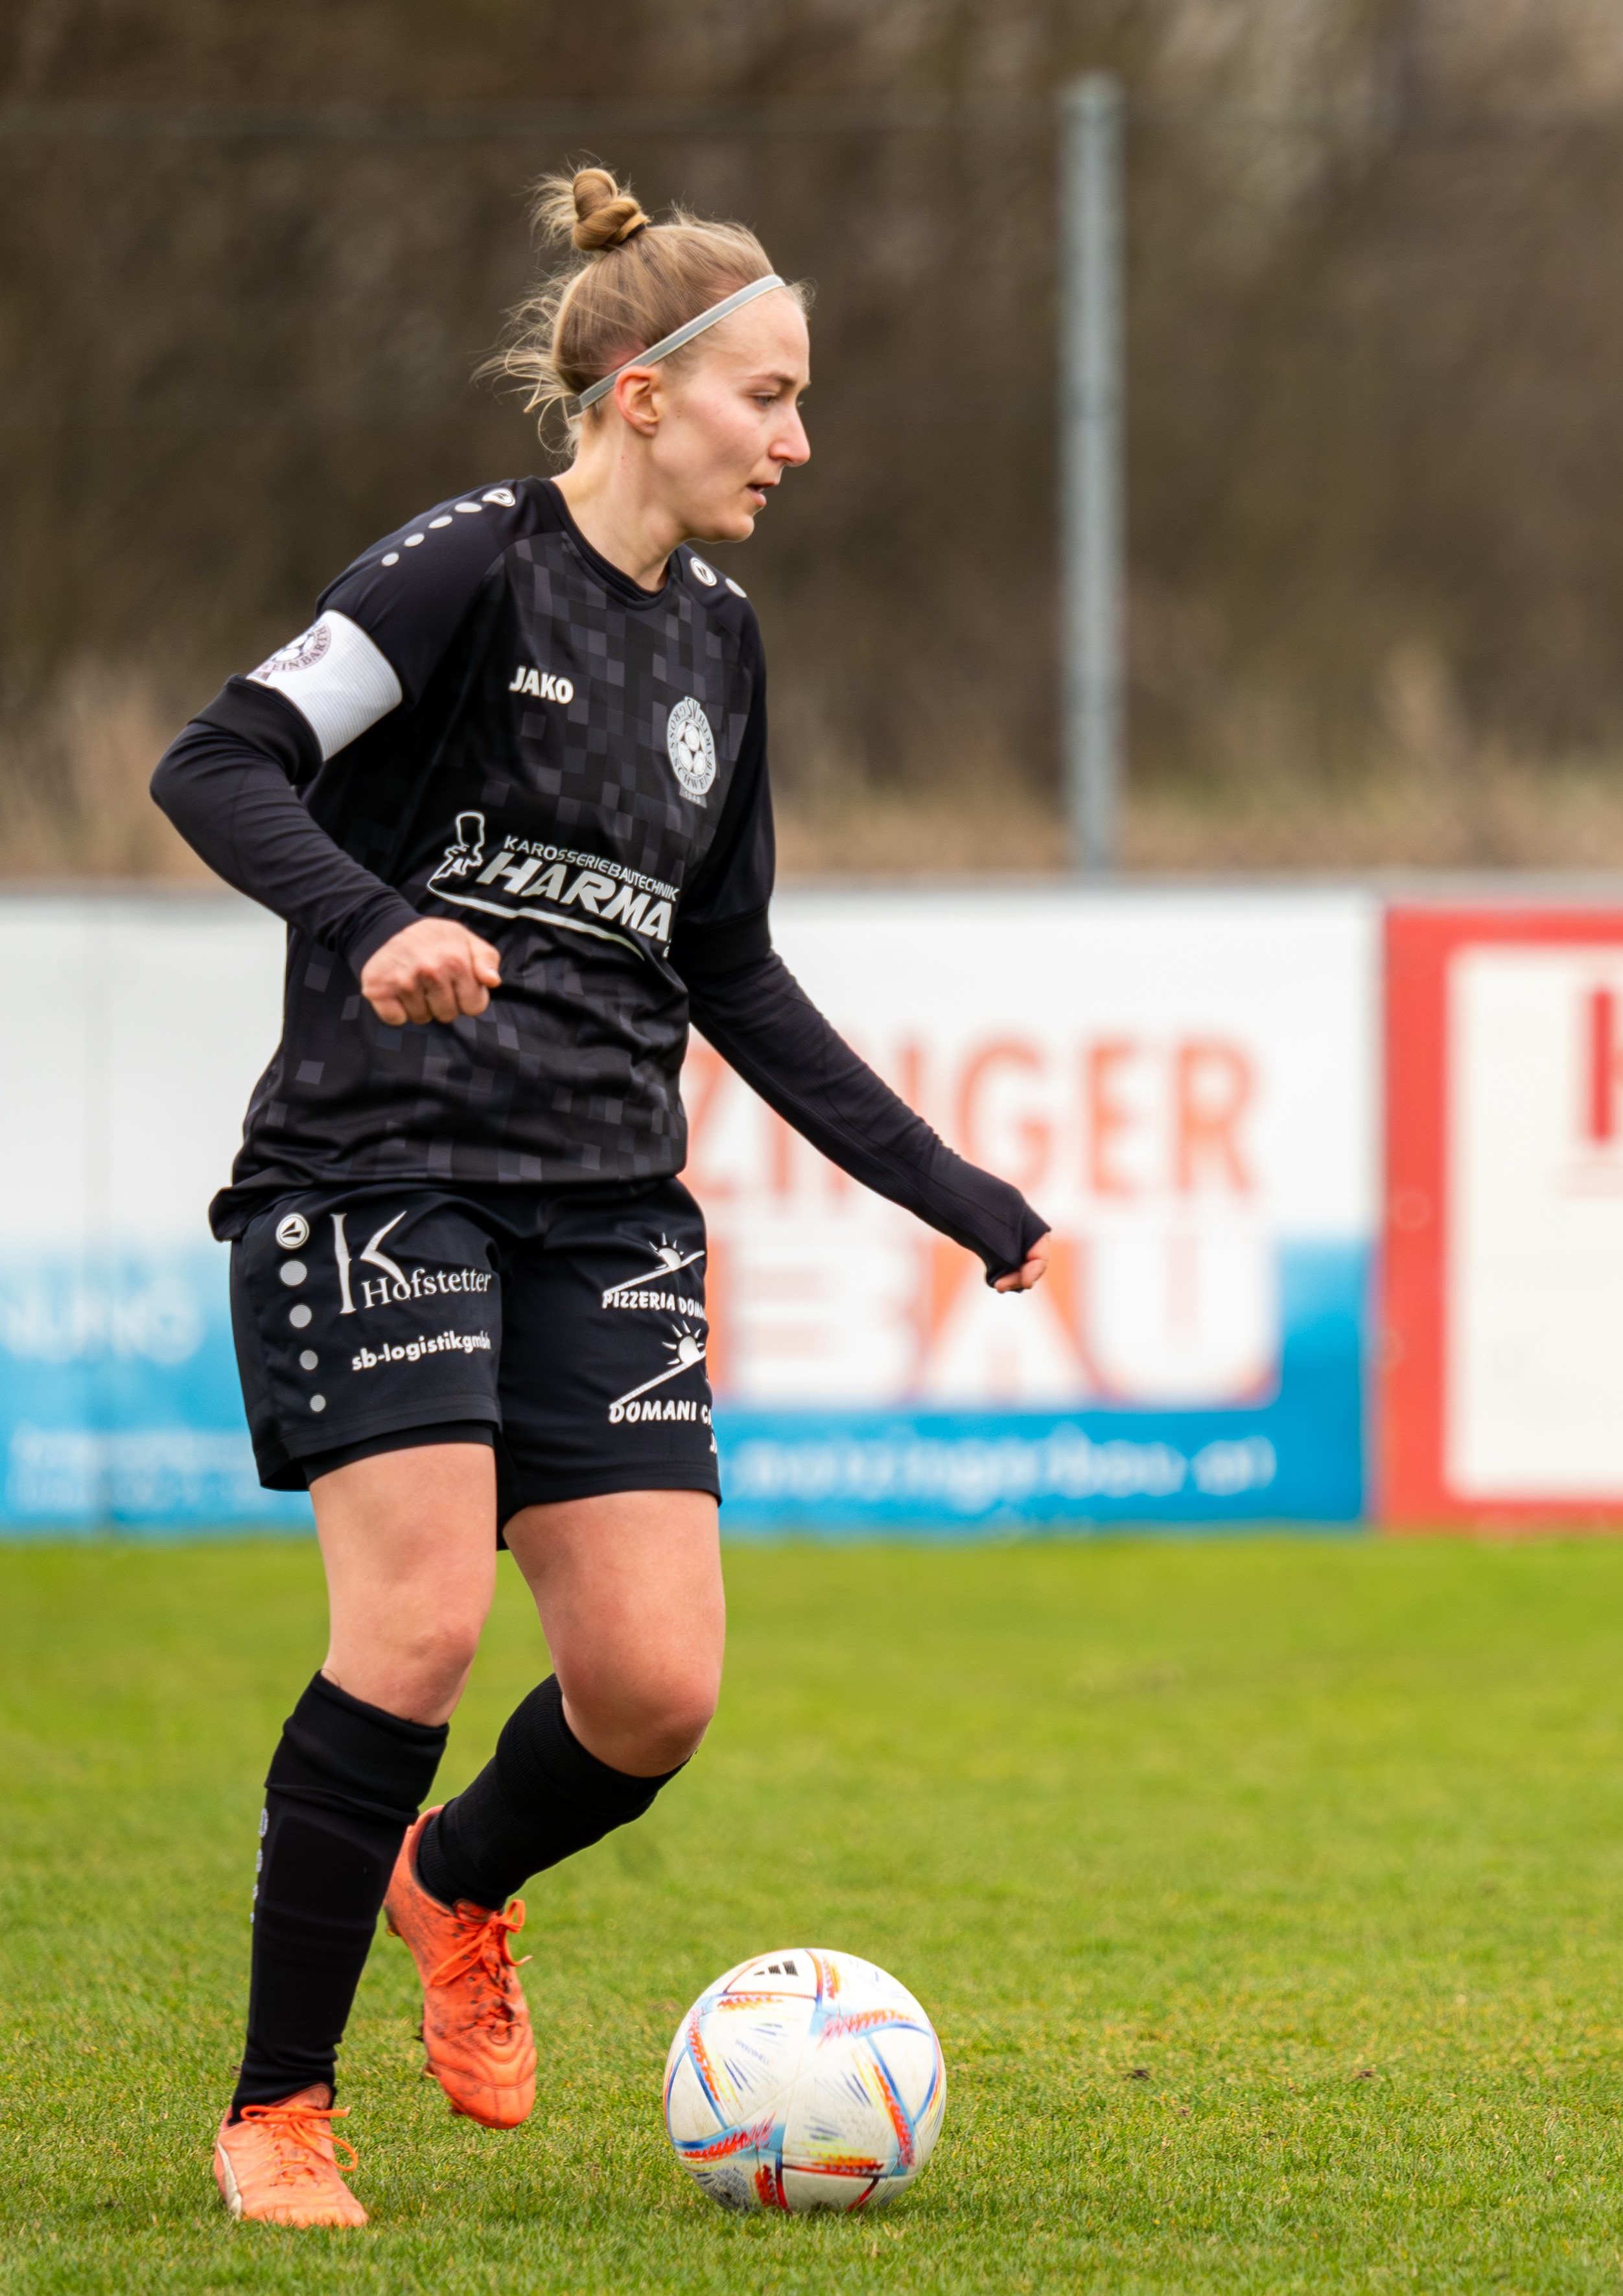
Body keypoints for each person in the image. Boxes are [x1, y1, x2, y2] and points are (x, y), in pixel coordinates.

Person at [153, 167, 1053, 2228]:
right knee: (419, 1625)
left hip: (606, 1208)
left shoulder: (721, 643)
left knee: (654, 1691)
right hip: (379, 1173)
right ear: (643, 392)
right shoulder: (464, 568)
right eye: (769, 395)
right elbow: (217, 761)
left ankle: (455, 1882)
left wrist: (948, 1189)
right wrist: (375, 921)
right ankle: (277, 2112)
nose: (797, 440)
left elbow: (728, 967)